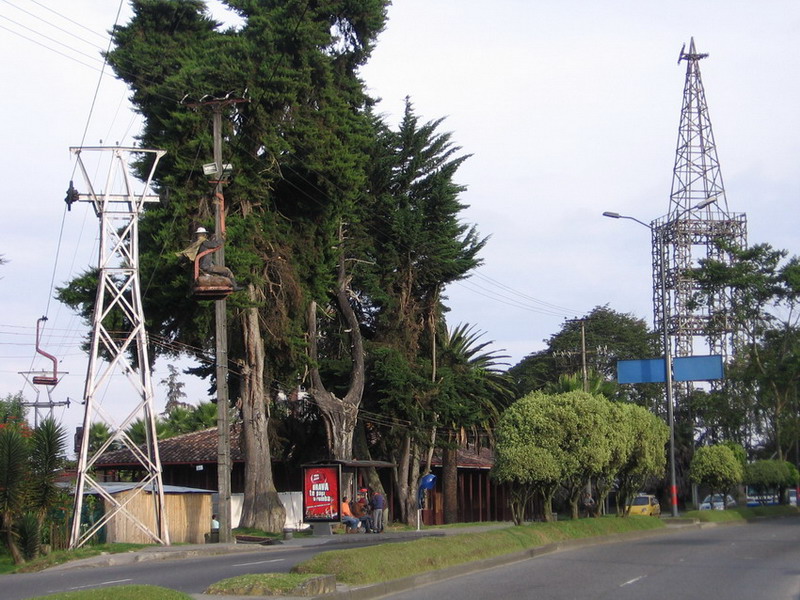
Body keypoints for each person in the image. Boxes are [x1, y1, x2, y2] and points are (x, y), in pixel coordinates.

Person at [179, 226, 244, 291]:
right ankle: (234, 286)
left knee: (219, 271)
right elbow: (215, 244)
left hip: (202, 267)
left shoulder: (197, 244)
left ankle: (231, 284)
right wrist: (223, 239)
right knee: (227, 271)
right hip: (207, 267)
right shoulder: (204, 242)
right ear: (204, 234)